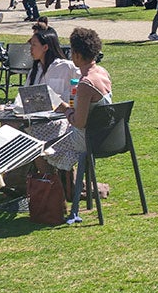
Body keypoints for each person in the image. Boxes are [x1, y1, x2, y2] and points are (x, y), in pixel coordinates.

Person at [36, 28, 113, 206]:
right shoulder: (101, 72)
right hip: (105, 136)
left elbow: (79, 122)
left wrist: (65, 109)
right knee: (52, 133)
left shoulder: (86, 83)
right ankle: (65, 188)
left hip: (87, 140)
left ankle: (56, 195)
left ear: (76, 54)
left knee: (39, 145)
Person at [25, 25, 76, 99]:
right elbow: (24, 97)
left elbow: (79, 91)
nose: (31, 49)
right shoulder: (35, 71)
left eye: (34, 45)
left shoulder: (66, 67)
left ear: (45, 47)